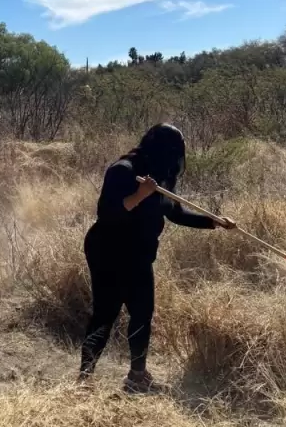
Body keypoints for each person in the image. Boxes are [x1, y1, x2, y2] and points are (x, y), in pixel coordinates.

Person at [79, 123, 236, 392]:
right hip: (109, 251)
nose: (178, 158)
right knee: (106, 313)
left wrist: (214, 222)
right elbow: (108, 214)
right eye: (175, 151)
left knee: (142, 312)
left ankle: (137, 377)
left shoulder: (161, 176)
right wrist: (140, 195)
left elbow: (176, 213)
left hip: (138, 253)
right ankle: (84, 379)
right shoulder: (124, 171)